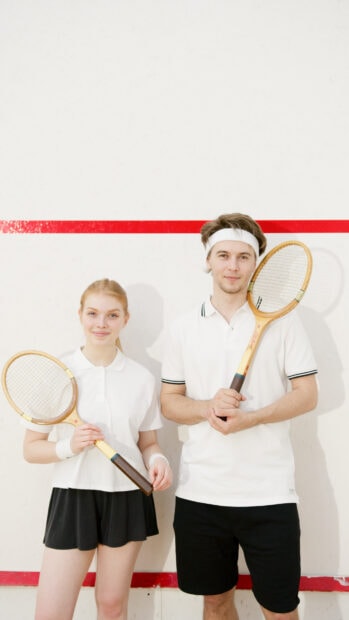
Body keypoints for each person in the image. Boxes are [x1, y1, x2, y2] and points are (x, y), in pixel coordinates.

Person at [160, 213, 318, 620]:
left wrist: (254, 417)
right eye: (224, 255)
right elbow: (169, 402)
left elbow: (307, 395)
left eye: (244, 257)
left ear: (256, 263)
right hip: (201, 495)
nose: (233, 265)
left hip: (269, 494)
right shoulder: (182, 328)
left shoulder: (283, 320)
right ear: (208, 261)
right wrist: (205, 408)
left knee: (279, 608)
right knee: (214, 602)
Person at [23, 278, 172, 620]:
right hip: (73, 497)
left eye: (111, 315)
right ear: (80, 315)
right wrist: (68, 446)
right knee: (51, 613)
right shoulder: (58, 372)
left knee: (111, 605)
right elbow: (31, 449)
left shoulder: (142, 378)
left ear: (125, 319)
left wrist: (159, 459)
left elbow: (148, 443)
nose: (101, 323)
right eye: (92, 313)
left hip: (126, 498)